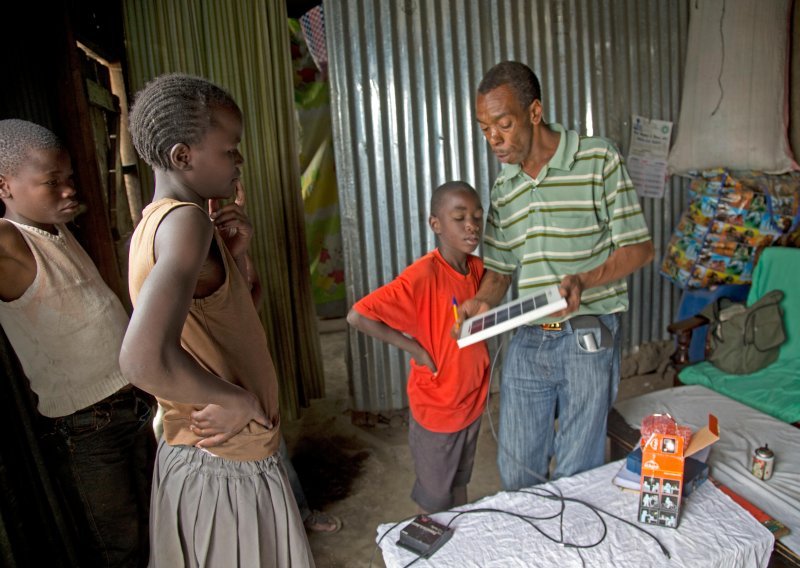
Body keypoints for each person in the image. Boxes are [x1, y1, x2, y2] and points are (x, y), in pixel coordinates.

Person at [121, 73, 314, 567]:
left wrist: (237, 258)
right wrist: (235, 398)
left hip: (216, 456)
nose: (240, 162)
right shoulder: (186, 223)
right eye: (231, 150)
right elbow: (141, 358)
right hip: (224, 462)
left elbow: (231, 320)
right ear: (183, 156)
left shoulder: (161, 222)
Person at [462, 61, 654, 490]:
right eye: (484, 128)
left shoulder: (597, 158)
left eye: (503, 124)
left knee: (577, 472)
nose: (494, 138)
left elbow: (639, 248)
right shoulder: (505, 186)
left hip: (587, 333)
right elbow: (501, 268)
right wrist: (483, 303)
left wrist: (583, 280)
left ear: (534, 112)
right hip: (530, 337)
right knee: (517, 471)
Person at [0, 119, 155, 567]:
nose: (69, 190)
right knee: (117, 546)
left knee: (149, 526)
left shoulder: (58, 231)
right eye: (52, 182)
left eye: (68, 179)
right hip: (85, 429)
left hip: (131, 404)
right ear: (4, 186)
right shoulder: (11, 241)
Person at [347, 181, 490, 513]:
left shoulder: (478, 270)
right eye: (459, 217)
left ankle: (460, 539)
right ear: (435, 224)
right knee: (436, 495)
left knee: (459, 482)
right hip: (439, 406)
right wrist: (416, 350)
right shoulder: (423, 276)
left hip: (471, 399)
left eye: (477, 216)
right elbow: (358, 316)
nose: (471, 225)